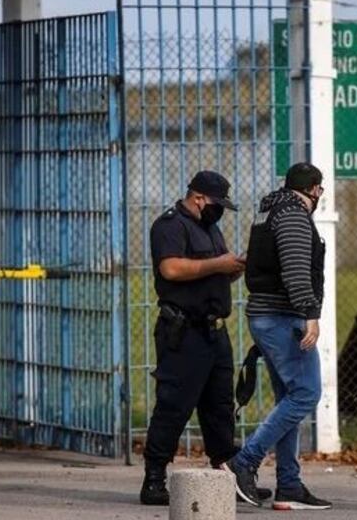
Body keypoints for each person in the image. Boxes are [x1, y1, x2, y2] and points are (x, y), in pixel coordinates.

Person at [139, 171, 253, 506]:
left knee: (219, 407)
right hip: (184, 331)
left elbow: (210, 274)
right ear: (199, 197)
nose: (220, 211)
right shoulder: (169, 225)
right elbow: (171, 269)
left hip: (214, 331)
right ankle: (154, 479)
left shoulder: (209, 227)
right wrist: (219, 264)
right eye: (217, 203)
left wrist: (232, 269)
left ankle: (226, 477)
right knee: (174, 405)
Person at [225, 162, 333, 511]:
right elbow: (297, 269)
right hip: (283, 317)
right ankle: (244, 462)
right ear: (314, 190)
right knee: (306, 393)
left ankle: (289, 484)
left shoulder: (269, 210)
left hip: (266, 315)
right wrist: (310, 316)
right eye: (320, 191)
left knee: (289, 395)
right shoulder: (293, 216)